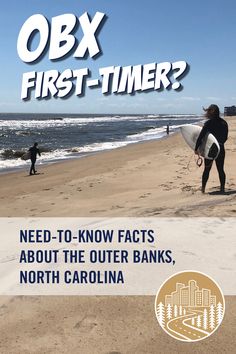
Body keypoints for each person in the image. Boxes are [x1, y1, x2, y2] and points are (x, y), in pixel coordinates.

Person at [195, 104, 228, 193]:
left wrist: (196, 148)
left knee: (207, 169)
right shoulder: (224, 123)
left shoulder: (208, 123)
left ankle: (203, 189)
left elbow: (201, 137)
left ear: (210, 112)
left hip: (210, 149)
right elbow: (225, 138)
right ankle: (222, 189)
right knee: (220, 169)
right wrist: (219, 144)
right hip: (221, 149)